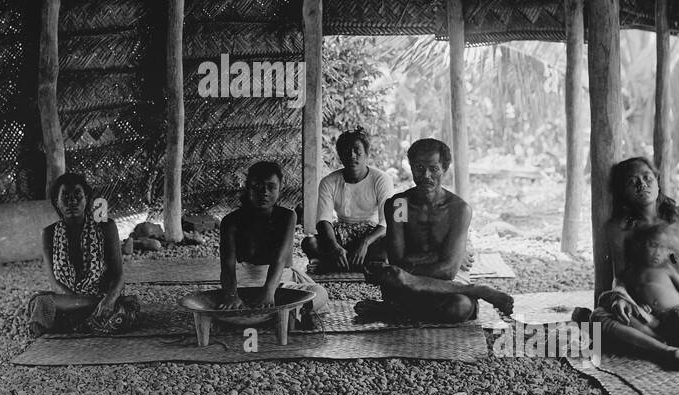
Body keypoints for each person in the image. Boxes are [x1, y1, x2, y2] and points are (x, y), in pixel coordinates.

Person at [356, 138, 514, 323]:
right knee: (395, 277)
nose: (426, 175)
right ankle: (475, 290)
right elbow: (398, 260)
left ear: (445, 169)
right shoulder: (400, 205)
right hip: (404, 284)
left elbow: (448, 271)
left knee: (459, 307)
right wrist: (441, 255)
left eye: (434, 168)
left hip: (446, 285)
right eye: (419, 168)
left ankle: (394, 312)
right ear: (411, 167)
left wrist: (411, 273)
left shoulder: (458, 209)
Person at [595, 156, 679, 370]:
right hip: (648, 313)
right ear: (622, 191)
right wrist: (622, 298)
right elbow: (620, 277)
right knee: (599, 317)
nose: (642, 185)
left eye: (647, 178)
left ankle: (660, 345)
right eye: (632, 181)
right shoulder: (618, 228)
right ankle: (668, 351)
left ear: (657, 180)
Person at [181, 160, 328, 329]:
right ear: (248, 187)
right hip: (245, 284)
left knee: (319, 293)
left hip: (281, 283)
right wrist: (231, 295)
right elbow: (227, 266)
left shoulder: (287, 217)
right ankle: (280, 314)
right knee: (206, 299)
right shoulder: (231, 221)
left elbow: (279, 259)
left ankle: (264, 314)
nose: (264, 192)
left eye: (271, 187)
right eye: (257, 186)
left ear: (280, 187)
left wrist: (269, 291)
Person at [23, 172, 140, 336]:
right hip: (71, 301)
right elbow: (55, 283)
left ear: (87, 199)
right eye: (65, 196)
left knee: (119, 310)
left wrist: (109, 300)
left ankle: (78, 322)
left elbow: (118, 276)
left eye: (78, 195)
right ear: (57, 202)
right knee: (41, 303)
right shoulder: (48, 233)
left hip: (102, 298)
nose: (72, 201)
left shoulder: (106, 227)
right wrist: (79, 302)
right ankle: (91, 319)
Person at [302, 128, 394, 272]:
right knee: (310, 243)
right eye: (346, 151)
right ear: (340, 156)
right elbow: (323, 220)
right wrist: (335, 247)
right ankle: (356, 262)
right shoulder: (329, 182)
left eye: (357, 150)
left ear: (366, 154)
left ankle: (331, 264)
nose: (352, 155)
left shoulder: (381, 179)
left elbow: (386, 222)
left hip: (371, 236)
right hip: (341, 236)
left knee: (392, 243)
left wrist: (365, 243)